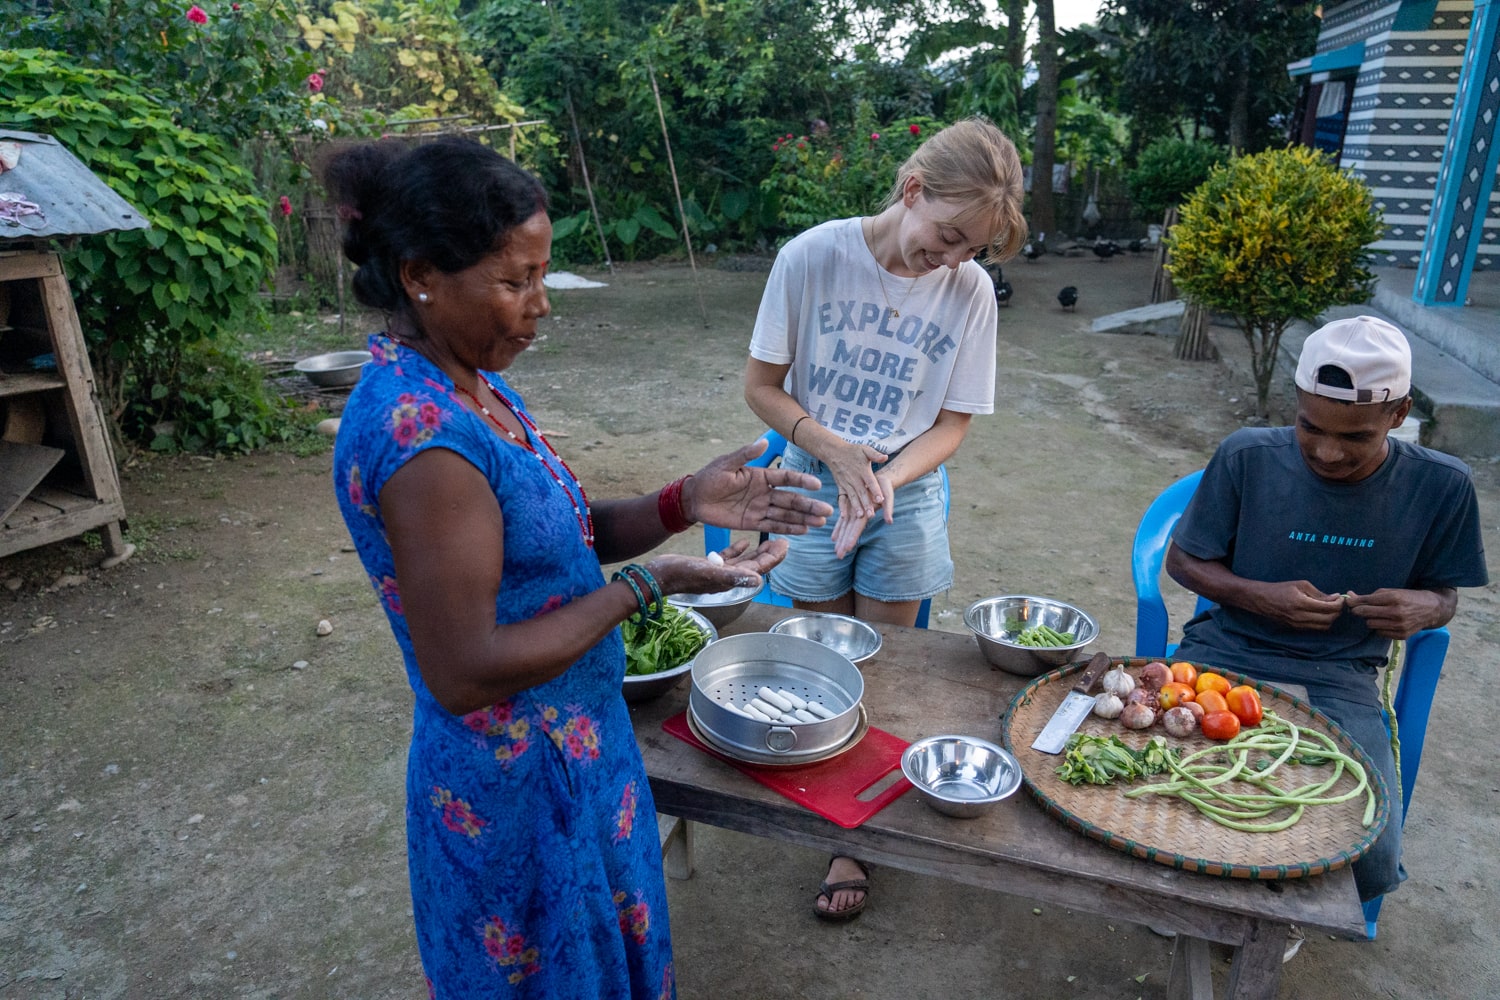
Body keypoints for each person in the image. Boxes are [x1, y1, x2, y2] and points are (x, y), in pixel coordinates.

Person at [320, 136, 832, 998]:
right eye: (516, 280)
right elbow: (466, 670)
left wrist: (683, 502)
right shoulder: (423, 441)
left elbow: (558, 534)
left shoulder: (473, 385)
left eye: (541, 277)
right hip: (519, 788)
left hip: (578, 754)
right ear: (420, 276)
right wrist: (649, 583)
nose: (541, 305)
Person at [742, 116, 1028, 920]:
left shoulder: (968, 290)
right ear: (912, 191)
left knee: (888, 664)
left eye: (971, 250)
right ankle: (830, 796)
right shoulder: (811, 257)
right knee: (826, 664)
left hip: (904, 489)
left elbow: (952, 424)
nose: (953, 261)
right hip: (809, 476)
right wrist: (832, 452)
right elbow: (762, 387)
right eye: (947, 238)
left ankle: (854, 841)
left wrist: (881, 478)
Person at [1166, 315, 1488, 942]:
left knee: (1367, 849)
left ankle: (1270, 914)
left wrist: (1426, 608)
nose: (1327, 451)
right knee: (1165, 787)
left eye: (1355, 437)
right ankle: (1192, 894)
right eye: (1310, 427)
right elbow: (1183, 561)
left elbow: (1445, 596)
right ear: (1298, 403)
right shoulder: (1247, 455)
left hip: (1341, 675)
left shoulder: (1442, 485)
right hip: (1223, 652)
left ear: (1397, 415)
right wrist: (1261, 599)